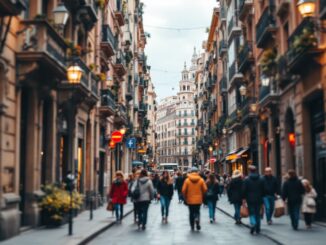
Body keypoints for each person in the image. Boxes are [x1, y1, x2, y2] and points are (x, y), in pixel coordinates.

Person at [182, 167, 207, 231]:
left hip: (190, 200)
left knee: (191, 212)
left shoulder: (187, 180)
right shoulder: (201, 180)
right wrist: (202, 195)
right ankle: (197, 219)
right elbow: (205, 189)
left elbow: (183, 190)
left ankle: (192, 226)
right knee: (197, 211)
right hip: (198, 199)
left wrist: (185, 197)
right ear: (197, 172)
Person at [242, 165, 264, 234]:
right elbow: (264, 189)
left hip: (250, 199)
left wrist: (244, 198)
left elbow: (244, 190)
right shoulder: (261, 179)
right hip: (259, 198)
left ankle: (253, 223)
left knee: (252, 213)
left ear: (249, 171)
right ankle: (258, 228)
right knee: (258, 213)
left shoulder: (247, 179)